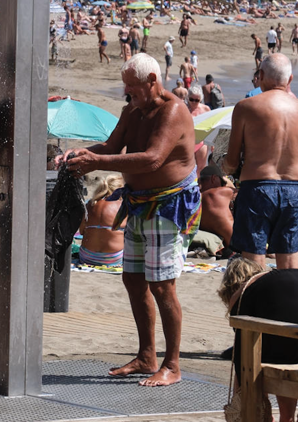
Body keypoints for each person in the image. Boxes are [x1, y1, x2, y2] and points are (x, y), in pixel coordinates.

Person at [59, 53, 200, 387]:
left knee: (162, 284)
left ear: (152, 80)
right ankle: (146, 356)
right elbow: (110, 146)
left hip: (170, 206)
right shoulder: (131, 110)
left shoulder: (174, 110)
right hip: (138, 204)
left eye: (133, 88)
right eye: (126, 88)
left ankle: (173, 365)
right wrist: (78, 155)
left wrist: (97, 161)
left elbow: (152, 159)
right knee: (134, 280)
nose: (128, 94)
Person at [219, 259, 298, 422]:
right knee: (287, 340)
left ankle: (273, 415)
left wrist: (249, 403)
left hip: (292, 346)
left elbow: (242, 354)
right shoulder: (296, 275)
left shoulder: (242, 292)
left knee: (258, 353)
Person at [223, 53, 298, 270]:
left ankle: (257, 302)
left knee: (253, 254)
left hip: (258, 187)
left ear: (260, 75)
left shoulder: (246, 107)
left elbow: (232, 161)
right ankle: (289, 303)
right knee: (289, 255)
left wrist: (224, 169)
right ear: (290, 80)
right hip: (293, 188)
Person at [77, 174, 124, 268]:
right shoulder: (122, 206)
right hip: (113, 259)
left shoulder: (90, 204)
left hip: (87, 256)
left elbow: (81, 231)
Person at [190, 164, 234, 258]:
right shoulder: (222, 192)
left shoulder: (194, 199)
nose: (223, 185)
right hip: (235, 243)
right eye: (222, 183)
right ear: (214, 178)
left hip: (218, 246)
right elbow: (240, 193)